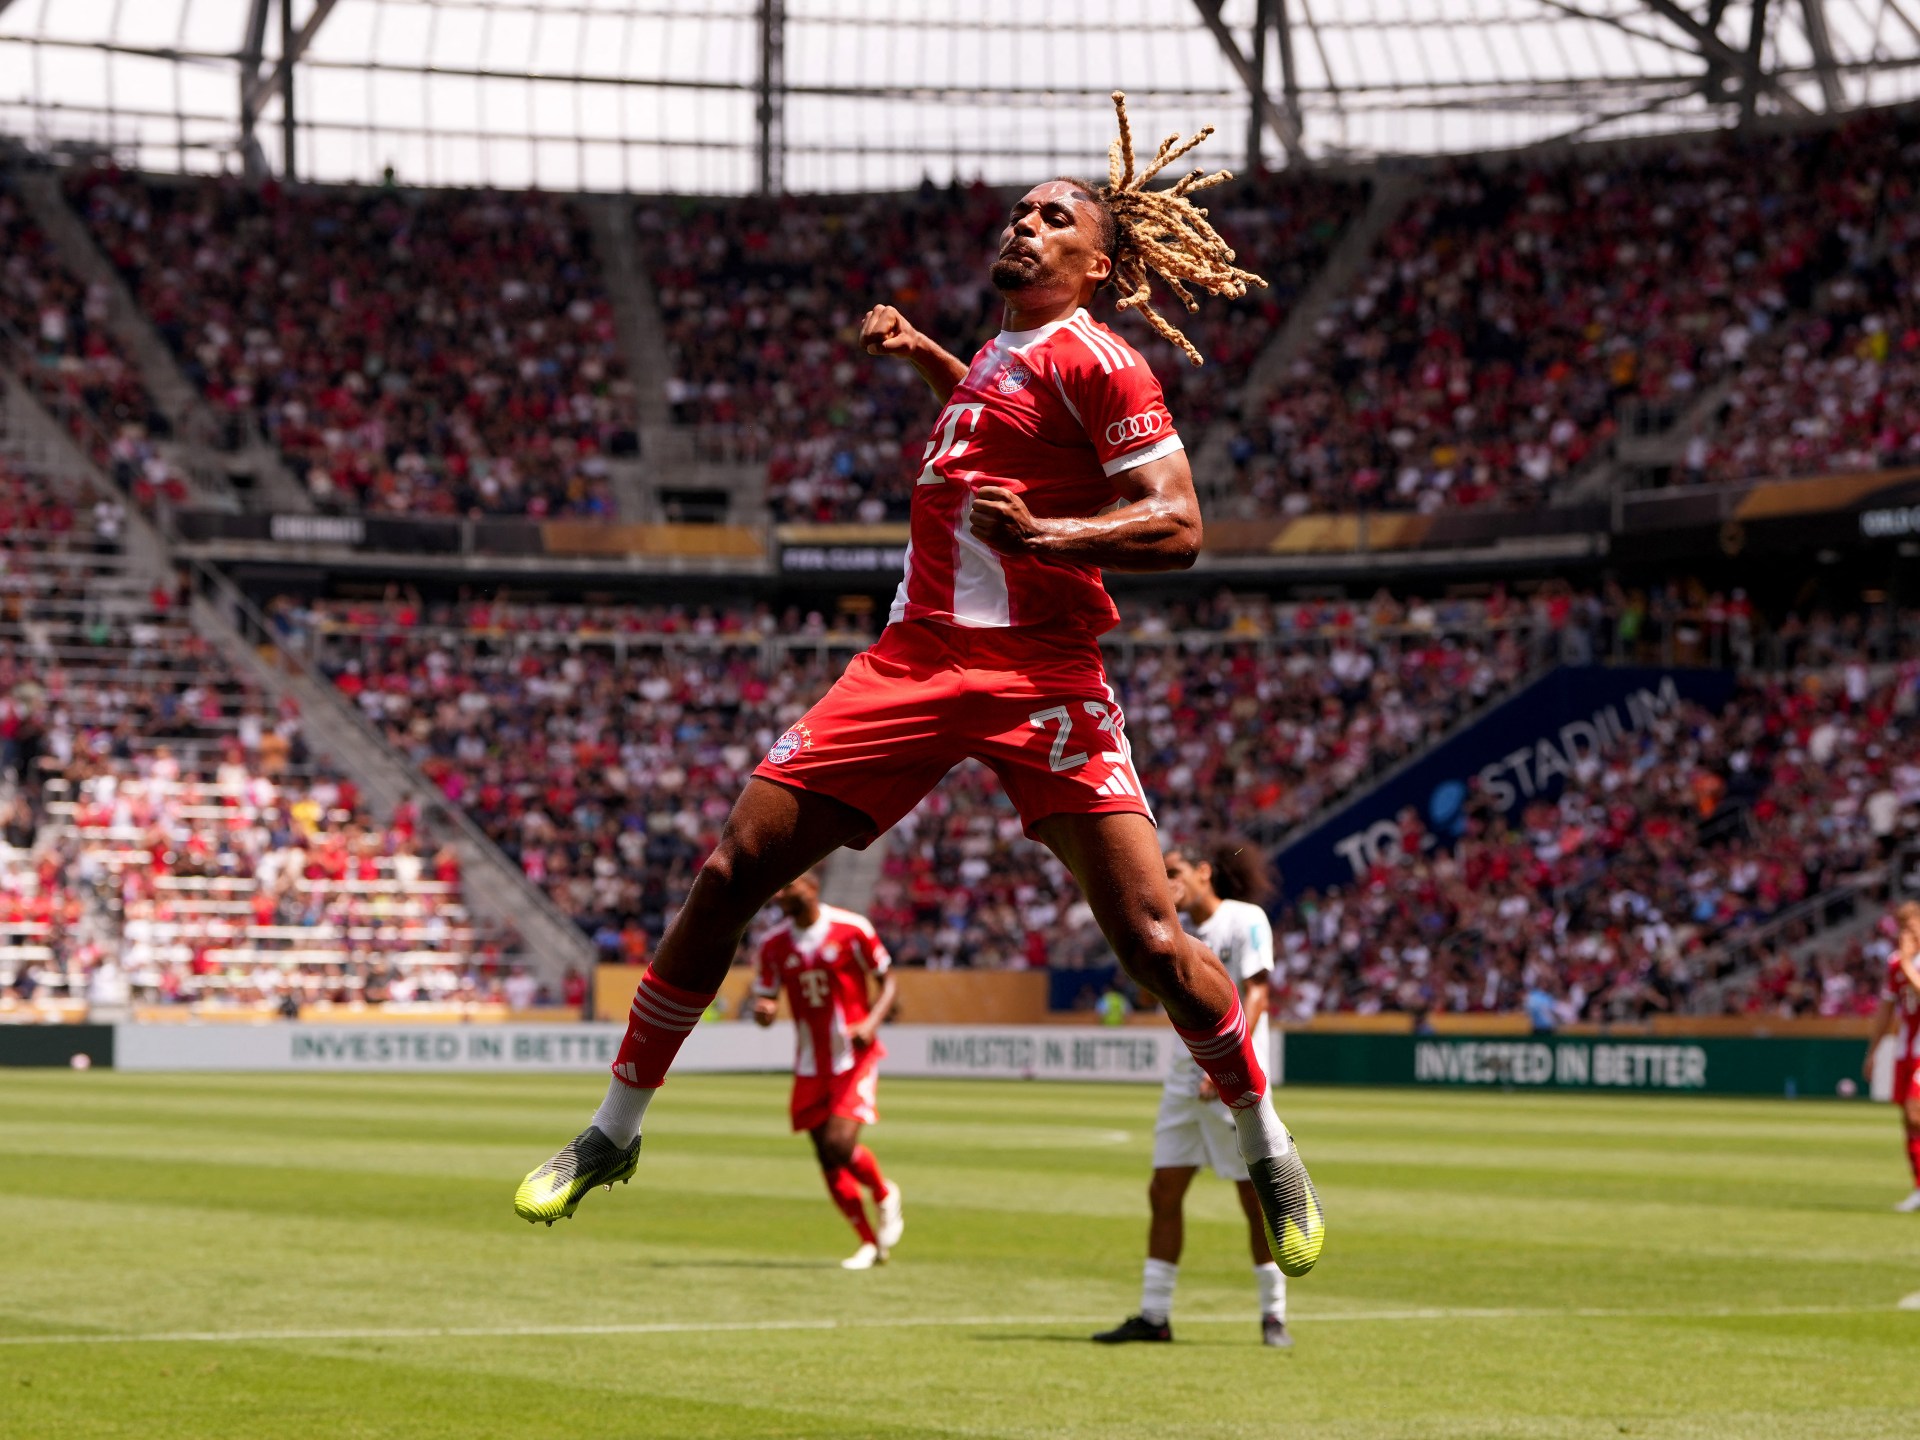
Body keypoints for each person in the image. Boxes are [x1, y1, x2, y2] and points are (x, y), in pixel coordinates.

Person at [514, 93, 1324, 1283]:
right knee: (732, 871)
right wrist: (930, 359)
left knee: (1153, 940)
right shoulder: (996, 354)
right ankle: (613, 1132)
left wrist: (1046, 536)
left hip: (1038, 674)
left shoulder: (1106, 360)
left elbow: (1182, 526)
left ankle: (1267, 1142)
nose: (1026, 222)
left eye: (1054, 217)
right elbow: (1000, 421)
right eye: (1018, 210)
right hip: (911, 660)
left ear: (1096, 266)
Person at [1094, 842, 1291, 1349]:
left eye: (1174, 871)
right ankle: (1154, 1316)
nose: (1168, 881)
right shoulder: (1171, 930)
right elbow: (1146, 995)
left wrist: (1226, 1061)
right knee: (1163, 1192)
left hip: (1231, 1078)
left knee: (1252, 1200)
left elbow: (1259, 993)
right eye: (1160, 874)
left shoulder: (1244, 919)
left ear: (1204, 873)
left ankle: (1273, 1316)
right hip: (1184, 1079)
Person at [749, 869, 904, 1269]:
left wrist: (870, 1023)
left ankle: (884, 1193)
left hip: (852, 1057)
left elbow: (888, 982)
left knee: (839, 1143)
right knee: (826, 1157)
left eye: (789, 884)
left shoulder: (852, 929)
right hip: (809, 1064)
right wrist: (764, 1013)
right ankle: (869, 1243)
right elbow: (766, 1001)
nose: (781, 892)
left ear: (812, 887)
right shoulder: (772, 945)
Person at [1863, 901, 1920, 1211]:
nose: (1906, 935)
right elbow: (1886, 1012)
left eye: (1911, 928)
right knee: (1908, 1121)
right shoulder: (1895, 964)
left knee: (1915, 1111)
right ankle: (1919, 1187)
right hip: (1905, 1049)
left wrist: (1909, 965)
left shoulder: (1907, 964)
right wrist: (1872, 1052)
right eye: (1902, 929)